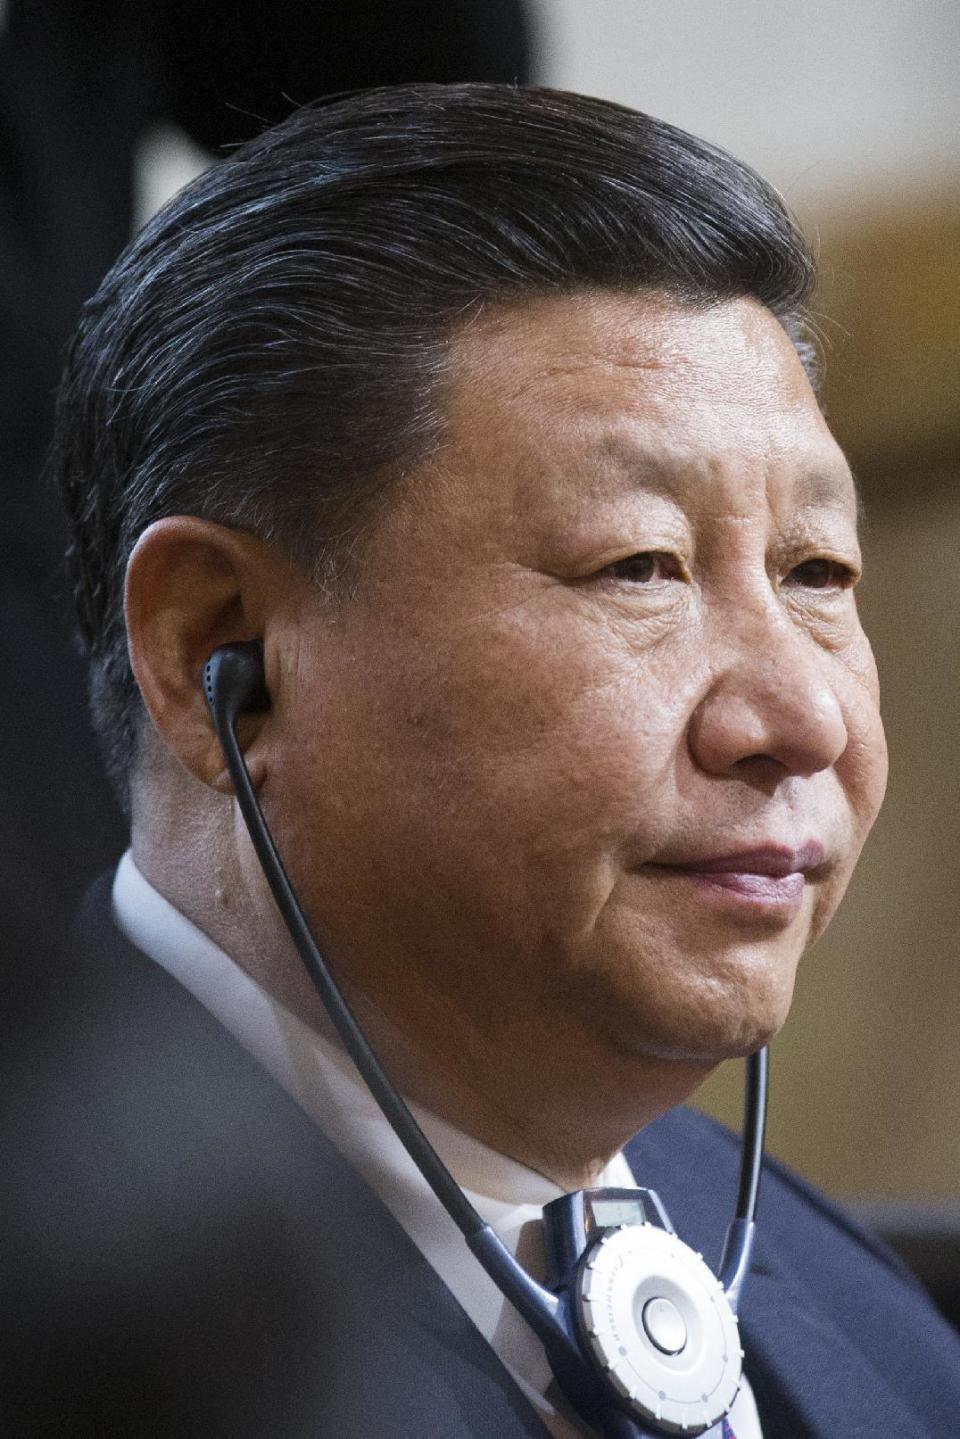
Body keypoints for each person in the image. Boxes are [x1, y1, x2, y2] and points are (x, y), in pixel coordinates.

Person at [4, 84, 958, 1438]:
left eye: (817, 570)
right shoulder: (71, 1323)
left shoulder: (868, 1321)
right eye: (641, 566)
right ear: (220, 646)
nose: (800, 719)